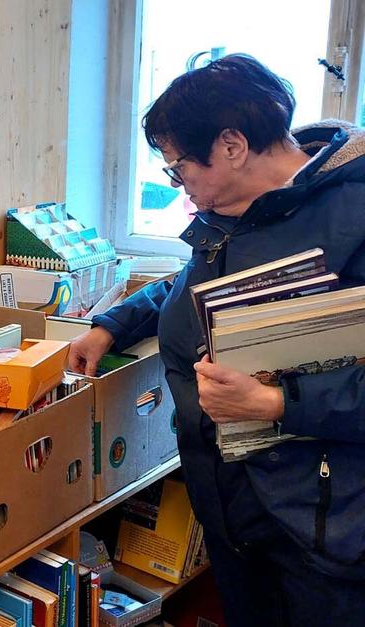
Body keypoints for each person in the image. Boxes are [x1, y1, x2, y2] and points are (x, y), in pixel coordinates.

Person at [68, 54, 365, 625]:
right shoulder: (227, 209)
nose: (178, 184)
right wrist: (116, 322)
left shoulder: (352, 215)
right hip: (232, 510)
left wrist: (278, 403)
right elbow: (195, 287)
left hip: (322, 527)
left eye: (179, 167)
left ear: (231, 145)